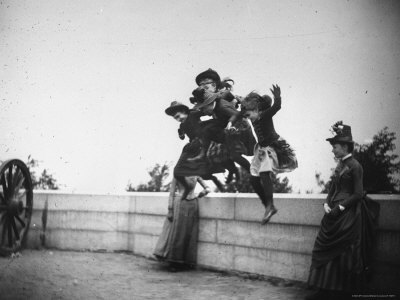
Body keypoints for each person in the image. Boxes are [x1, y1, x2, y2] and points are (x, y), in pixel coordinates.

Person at [305, 121, 377, 300]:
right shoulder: (339, 165)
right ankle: (323, 288)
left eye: (335, 147)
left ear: (345, 146)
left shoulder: (355, 166)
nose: (333, 150)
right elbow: (332, 188)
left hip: (348, 215)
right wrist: (326, 204)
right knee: (323, 249)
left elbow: (358, 193)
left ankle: (341, 291)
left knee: (343, 252)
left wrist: (340, 207)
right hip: (333, 214)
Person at [241, 84, 297, 224]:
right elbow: (243, 106)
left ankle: (270, 204)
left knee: (265, 173)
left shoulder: (264, 115)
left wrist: (277, 97)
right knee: (254, 178)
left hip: (273, 147)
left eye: (249, 115)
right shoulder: (251, 114)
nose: (249, 119)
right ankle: (267, 205)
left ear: (256, 110)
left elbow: (276, 107)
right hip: (261, 149)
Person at [165, 101, 238, 196]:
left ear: (184, 111)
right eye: (176, 118)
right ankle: (216, 181)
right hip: (196, 146)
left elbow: (206, 111)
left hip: (205, 141)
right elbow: (182, 134)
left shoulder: (192, 114)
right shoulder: (182, 125)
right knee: (201, 171)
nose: (179, 119)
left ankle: (232, 171)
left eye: (179, 116)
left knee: (218, 158)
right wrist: (181, 133)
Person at [188, 89, 255, 173]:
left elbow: (239, 116)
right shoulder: (215, 104)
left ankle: (252, 171)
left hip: (240, 127)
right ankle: (203, 153)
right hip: (226, 124)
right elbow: (226, 92)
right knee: (205, 128)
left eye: (203, 108)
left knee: (234, 155)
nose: (202, 111)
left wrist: (231, 125)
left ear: (209, 104)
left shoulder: (222, 107)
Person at [153, 176, 209, 271]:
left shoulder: (196, 174)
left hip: (193, 204)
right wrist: (170, 209)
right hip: (180, 203)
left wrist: (205, 191)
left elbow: (207, 187)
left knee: (189, 233)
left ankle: (186, 261)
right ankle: (173, 262)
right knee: (178, 232)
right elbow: (171, 193)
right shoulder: (178, 173)